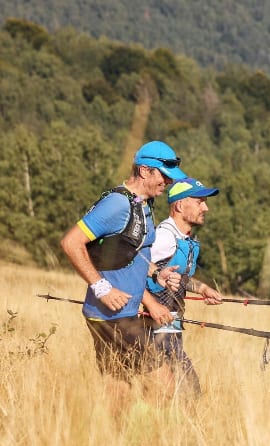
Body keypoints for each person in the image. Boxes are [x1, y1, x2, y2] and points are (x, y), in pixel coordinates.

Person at [60, 140, 188, 406]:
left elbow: (130, 253)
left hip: (118, 313)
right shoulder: (117, 204)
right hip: (113, 316)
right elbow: (71, 243)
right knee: (165, 386)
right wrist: (102, 287)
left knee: (119, 389)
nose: (167, 183)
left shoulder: (142, 203)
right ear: (144, 171)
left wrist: (156, 275)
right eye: (163, 176)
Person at [142, 177, 223, 396]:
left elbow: (177, 278)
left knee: (179, 393)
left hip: (171, 329)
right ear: (179, 205)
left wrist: (203, 289)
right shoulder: (164, 238)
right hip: (153, 330)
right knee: (187, 391)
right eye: (199, 202)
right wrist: (148, 305)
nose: (205, 207)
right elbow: (135, 269)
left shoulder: (182, 238)